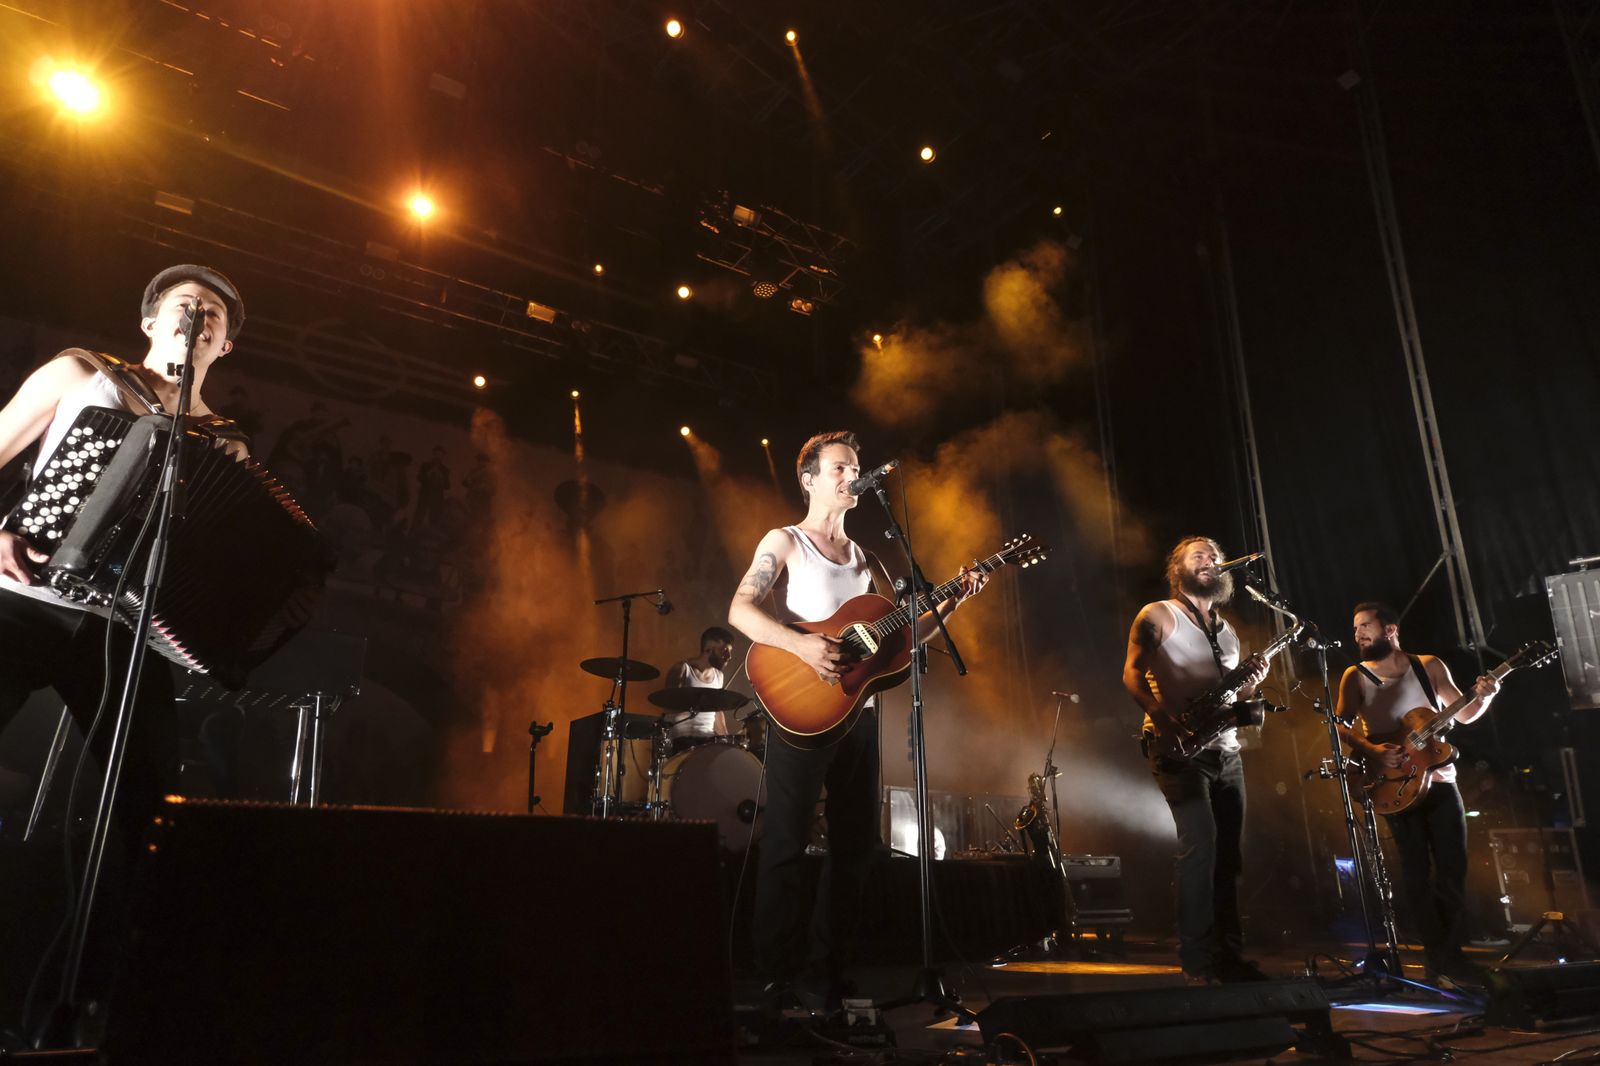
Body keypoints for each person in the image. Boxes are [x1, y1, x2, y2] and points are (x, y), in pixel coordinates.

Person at [0, 265, 247, 979]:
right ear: (149, 322)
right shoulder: (82, 373)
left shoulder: (225, 443)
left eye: (213, 312)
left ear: (225, 346)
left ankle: (103, 981)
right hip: (23, 599)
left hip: (122, 632)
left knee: (151, 803)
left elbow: (203, 560)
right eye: (183, 302)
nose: (197, 312)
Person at [727, 430, 984, 1007]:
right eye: (839, 468)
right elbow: (739, 609)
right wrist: (801, 645)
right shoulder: (786, 540)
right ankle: (776, 971)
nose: (852, 476)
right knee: (787, 841)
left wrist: (953, 600)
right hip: (800, 708)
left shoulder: (868, 560)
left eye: (855, 467)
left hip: (858, 715)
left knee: (855, 848)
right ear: (810, 479)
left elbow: (898, 640)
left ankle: (827, 969)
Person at [1121, 535, 1269, 984]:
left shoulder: (1228, 631)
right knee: (1200, 847)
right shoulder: (1157, 614)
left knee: (1229, 858)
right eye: (1199, 555)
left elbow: (1236, 696)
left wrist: (1253, 683)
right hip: (1178, 749)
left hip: (1226, 752)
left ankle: (1229, 957)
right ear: (1177, 568)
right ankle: (1196, 960)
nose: (1211, 561)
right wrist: (1162, 718)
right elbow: (1131, 673)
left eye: (1215, 556)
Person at [1336, 601, 1500, 984]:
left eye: (1365, 626)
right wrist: (1373, 750)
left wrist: (1486, 695)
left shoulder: (1428, 666)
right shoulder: (1354, 675)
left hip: (1440, 780)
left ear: (1390, 629)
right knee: (1416, 873)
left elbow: (1463, 713)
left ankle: (1450, 957)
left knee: (1453, 869)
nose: (1358, 634)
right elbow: (1339, 725)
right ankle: (1436, 957)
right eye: (1356, 628)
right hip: (1394, 784)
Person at [662, 625, 736, 747]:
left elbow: (718, 712)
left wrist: (726, 738)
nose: (729, 656)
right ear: (708, 650)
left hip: (707, 741)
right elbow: (669, 708)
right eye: (725, 651)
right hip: (681, 741)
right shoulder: (682, 669)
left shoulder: (719, 676)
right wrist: (699, 702)